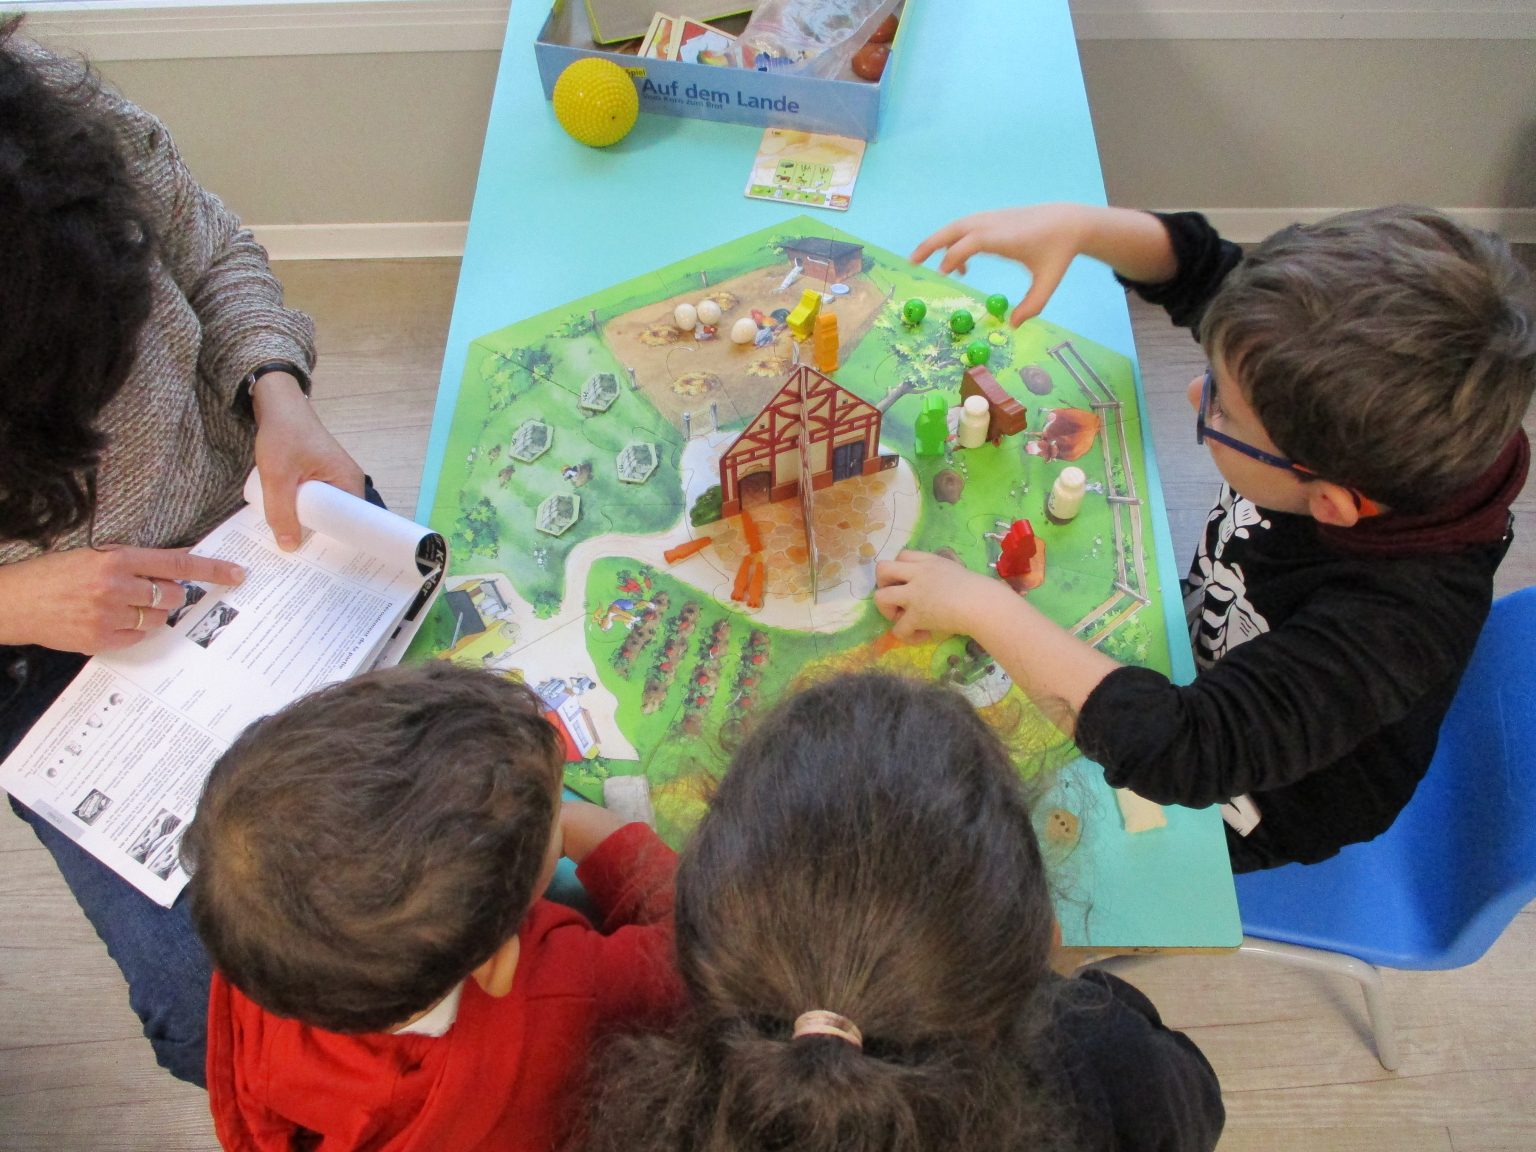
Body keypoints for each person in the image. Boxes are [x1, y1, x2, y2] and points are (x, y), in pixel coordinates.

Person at [876, 203, 1535, 870]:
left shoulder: (1397, 623)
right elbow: (1202, 269)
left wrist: (983, 607)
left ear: (1330, 504)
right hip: (1208, 665)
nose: (1195, 393)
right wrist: (1084, 227)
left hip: (1261, 796)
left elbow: (1182, 752)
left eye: (1222, 411)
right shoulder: (1361, 412)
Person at [1, 17, 366, 1083]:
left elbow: (210, 249)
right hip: (48, 651)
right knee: (220, 1014)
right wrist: (17, 604)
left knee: (456, 770)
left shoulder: (46, 117)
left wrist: (276, 393)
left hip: (247, 507)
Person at [580, 672, 1225, 1152]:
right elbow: (1194, 1101)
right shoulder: (1102, 1062)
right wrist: (1066, 994)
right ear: (1036, 937)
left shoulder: (649, 1105)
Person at [180, 662, 684, 1152]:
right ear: (497, 965)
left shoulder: (269, 944)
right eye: (551, 814)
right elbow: (692, 950)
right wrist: (598, 834)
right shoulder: (564, 990)